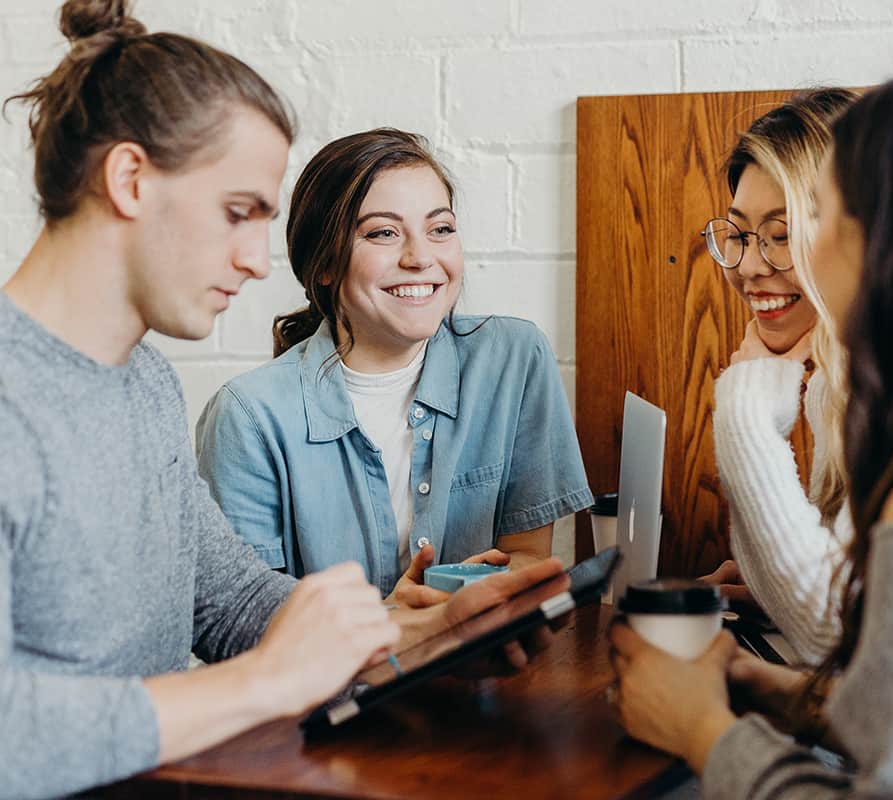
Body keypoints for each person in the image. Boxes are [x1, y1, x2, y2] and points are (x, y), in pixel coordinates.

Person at [0, 4, 563, 798]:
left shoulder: (143, 383)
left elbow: (228, 600)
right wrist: (270, 681)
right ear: (128, 180)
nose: (259, 260)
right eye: (238, 213)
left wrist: (417, 630)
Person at [610, 63, 893, 796]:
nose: (762, 263)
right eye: (741, 234)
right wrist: (788, 698)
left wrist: (704, 731)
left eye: (814, 217)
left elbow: (842, 643)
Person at [196, 128, 593, 605]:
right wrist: (395, 623)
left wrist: (472, 594)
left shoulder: (513, 359)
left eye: (440, 229)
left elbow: (528, 556)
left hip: (483, 669)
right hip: (336, 680)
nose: (421, 257)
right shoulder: (248, 416)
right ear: (323, 264)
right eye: (383, 233)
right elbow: (246, 621)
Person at [698, 89, 858, 664]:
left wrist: (745, 409)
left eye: (782, 234)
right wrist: (772, 586)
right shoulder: (834, 383)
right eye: (738, 234)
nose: (748, 266)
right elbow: (850, 613)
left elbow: (831, 634)